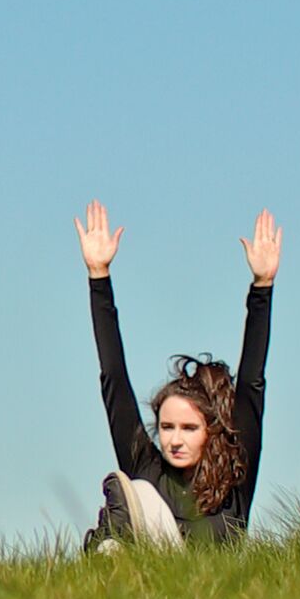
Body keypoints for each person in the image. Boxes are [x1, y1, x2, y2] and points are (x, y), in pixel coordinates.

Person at [73, 202, 280, 550]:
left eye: (189, 428)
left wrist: (263, 286)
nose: (175, 440)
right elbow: (114, 378)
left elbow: (252, 383)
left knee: (138, 493)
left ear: (210, 431)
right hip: (151, 576)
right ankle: (111, 557)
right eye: (168, 427)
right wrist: (98, 276)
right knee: (135, 491)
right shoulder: (146, 466)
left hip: (213, 584)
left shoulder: (235, 476)